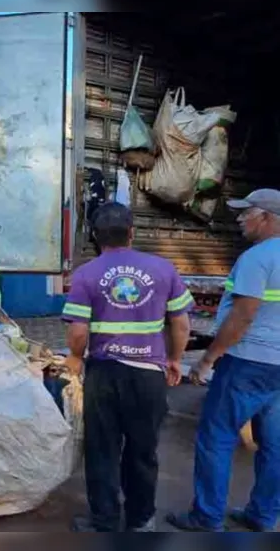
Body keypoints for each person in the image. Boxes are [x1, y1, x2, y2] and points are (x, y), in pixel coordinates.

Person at [63, 202, 192, 532]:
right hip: (149, 375)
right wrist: (175, 359)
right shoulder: (164, 269)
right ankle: (141, 520)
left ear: (95, 236)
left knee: (102, 449)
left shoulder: (86, 274)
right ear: (132, 232)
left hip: (104, 375)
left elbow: (78, 331)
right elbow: (181, 323)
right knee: (142, 450)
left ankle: (104, 521)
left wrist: (76, 358)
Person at [167, 189, 280, 532]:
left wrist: (208, 359)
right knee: (275, 444)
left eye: (247, 212)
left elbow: (243, 316)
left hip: (247, 362)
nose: (240, 218)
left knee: (216, 437)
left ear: (268, 217)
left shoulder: (257, 258)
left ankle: (207, 516)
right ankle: (262, 515)